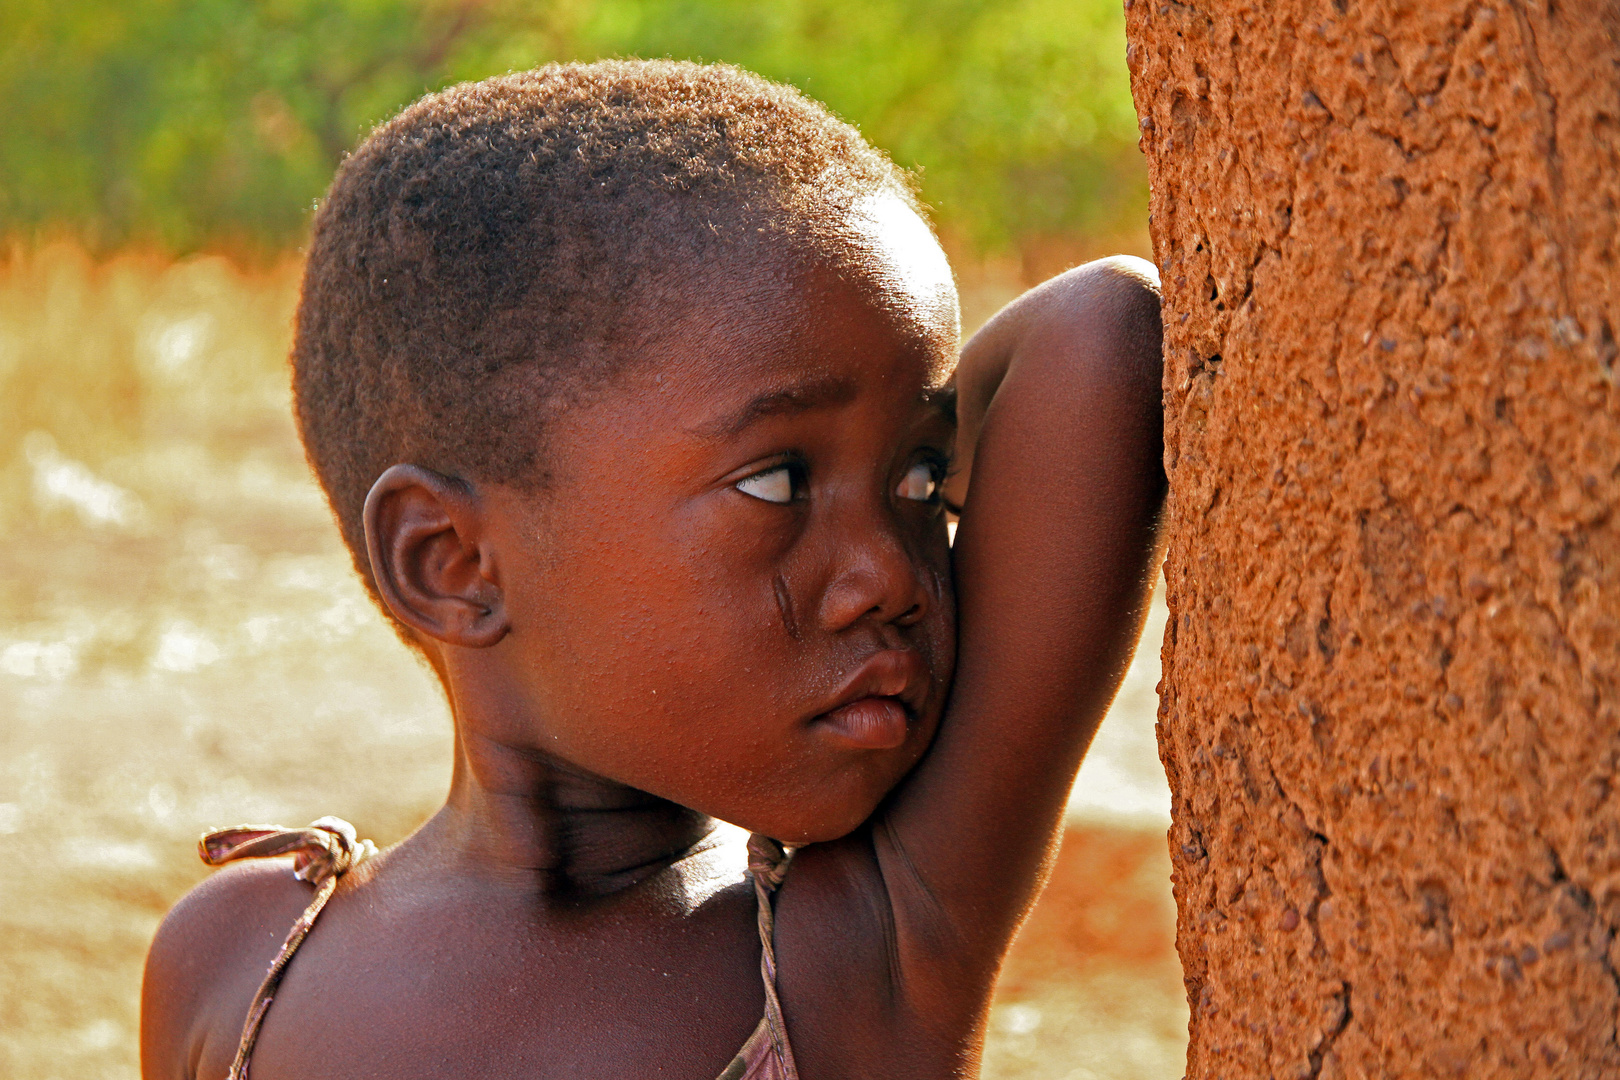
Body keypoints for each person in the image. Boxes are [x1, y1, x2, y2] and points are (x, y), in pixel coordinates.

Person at [139, 59, 1164, 1080]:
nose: (890, 577)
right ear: (451, 561)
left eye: (920, 483)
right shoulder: (238, 964)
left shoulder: (869, 946)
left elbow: (1104, 334)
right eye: (777, 484)